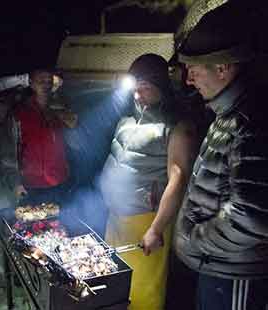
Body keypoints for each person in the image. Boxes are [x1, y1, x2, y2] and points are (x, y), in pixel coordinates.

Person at [174, 3, 268, 310]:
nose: (188, 80)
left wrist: (194, 240)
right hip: (219, 268)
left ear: (223, 67)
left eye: (194, 69)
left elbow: (251, 216)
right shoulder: (227, 113)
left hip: (235, 275)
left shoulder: (250, 122)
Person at [98, 53, 198, 310]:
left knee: (142, 291)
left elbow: (179, 178)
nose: (138, 95)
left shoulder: (177, 126)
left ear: (162, 88)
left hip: (146, 220)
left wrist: (156, 229)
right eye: (135, 88)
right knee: (113, 283)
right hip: (115, 216)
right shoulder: (127, 120)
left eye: (146, 88)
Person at [12, 69, 78, 205]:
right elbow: (14, 148)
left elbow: (73, 125)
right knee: (31, 221)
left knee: (58, 222)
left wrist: (54, 108)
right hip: (30, 182)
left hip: (58, 178)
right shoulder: (21, 112)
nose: (45, 85)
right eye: (41, 81)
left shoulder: (60, 108)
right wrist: (16, 181)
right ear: (31, 84)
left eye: (49, 81)